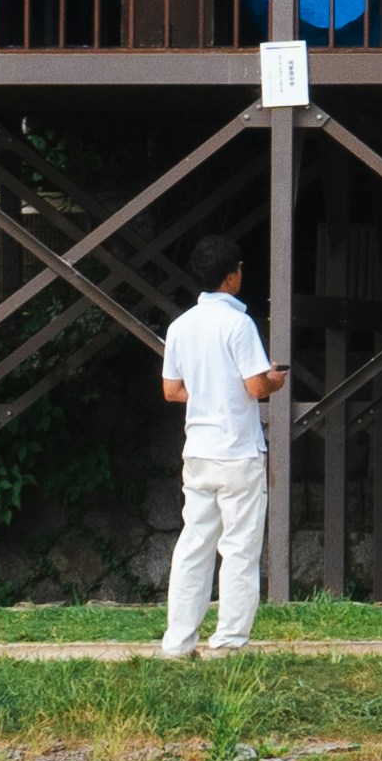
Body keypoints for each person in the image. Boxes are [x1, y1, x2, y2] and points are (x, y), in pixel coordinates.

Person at [153, 260, 284, 661]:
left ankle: (178, 643)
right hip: (238, 451)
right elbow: (256, 386)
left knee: (194, 545)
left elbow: (171, 391)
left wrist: (210, 393)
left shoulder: (180, 326)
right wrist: (275, 380)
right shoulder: (238, 324)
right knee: (239, 548)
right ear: (231, 276)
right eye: (240, 269)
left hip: (198, 450)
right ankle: (228, 642)